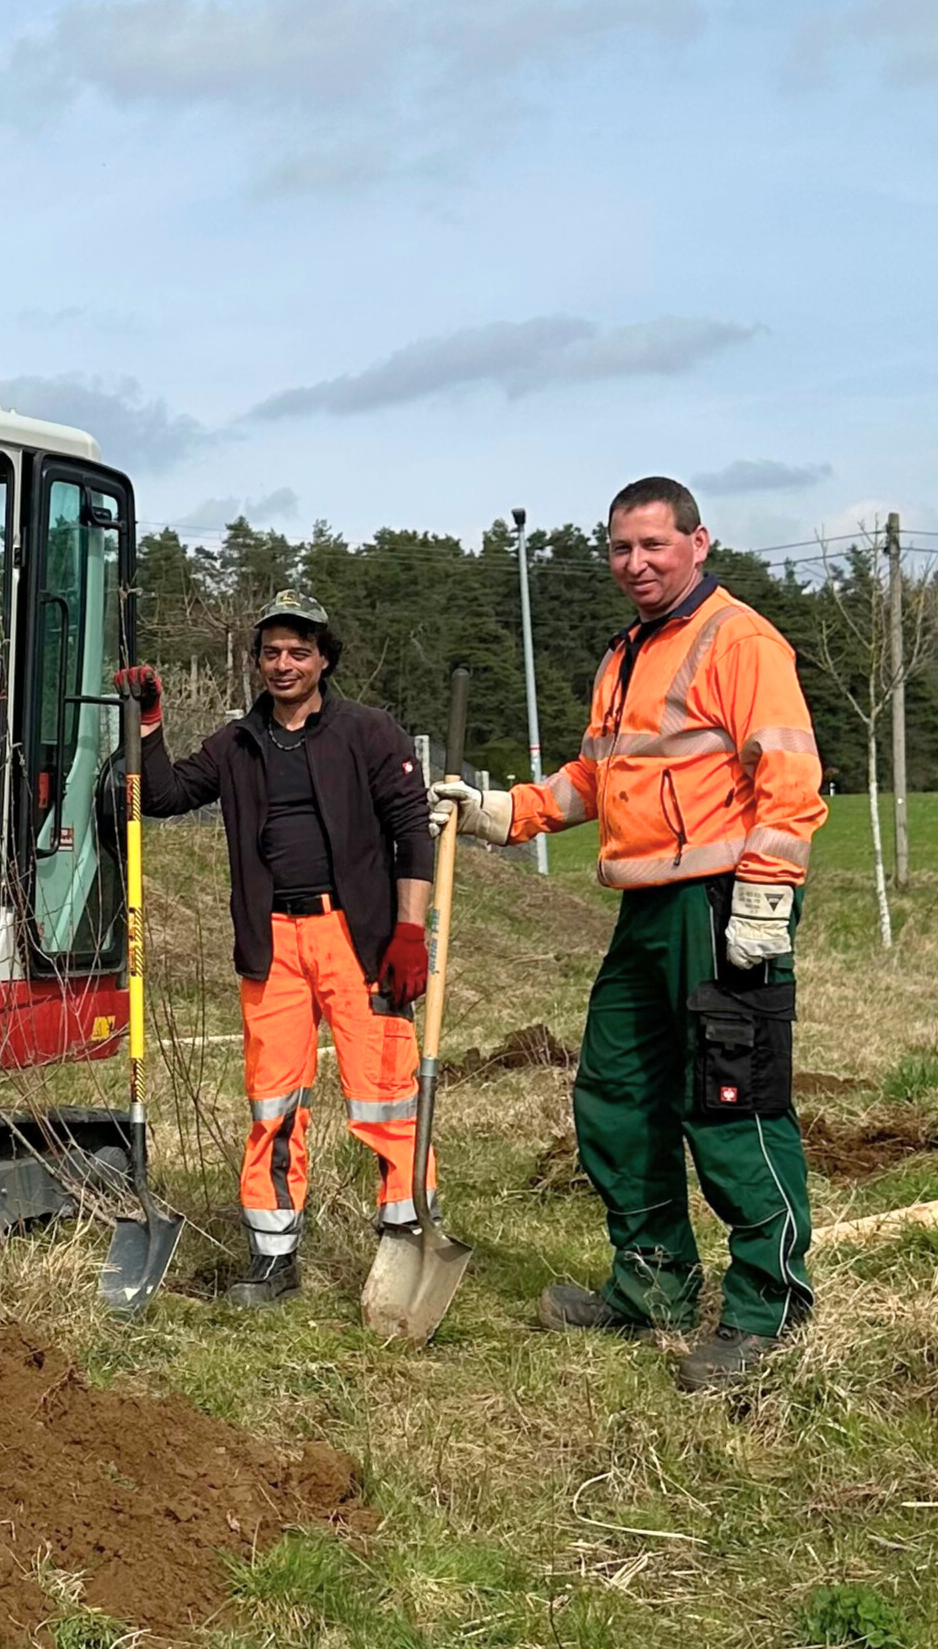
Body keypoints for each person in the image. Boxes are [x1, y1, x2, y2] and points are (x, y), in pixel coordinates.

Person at [435, 477, 826, 1393]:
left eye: (653, 544)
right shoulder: (625, 656)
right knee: (617, 1093)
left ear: (698, 542)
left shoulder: (741, 640)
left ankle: (770, 1308)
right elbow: (595, 778)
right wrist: (502, 813)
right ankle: (652, 1288)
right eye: (620, 548)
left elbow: (791, 772)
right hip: (648, 908)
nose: (636, 563)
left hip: (726, 899)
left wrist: (767, 893)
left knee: (733, 1102)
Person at [116, 590, 436, 1311]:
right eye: (271, 652)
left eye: (299, 651)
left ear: (324, 658)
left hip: (361, 941)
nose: (283, 664)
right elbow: (163, 796)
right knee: (273, 1100)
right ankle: (273, 1256)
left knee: (387, 1096)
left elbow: (413, 833)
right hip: (273, 944)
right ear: (255, 660)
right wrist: (151, 724)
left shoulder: (369, 732)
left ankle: (406, 1235)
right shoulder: (238, 744)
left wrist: (411, 933)